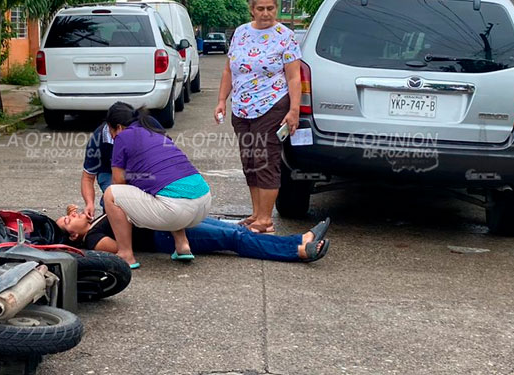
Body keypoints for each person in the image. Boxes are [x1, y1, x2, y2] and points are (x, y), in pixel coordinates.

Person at [214, 0, 302, 234]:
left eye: (271, 8)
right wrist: (222, 100)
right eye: (261, 9)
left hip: (272, 105)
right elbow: (228, 70)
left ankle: (266, 219)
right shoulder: (240, 33)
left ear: (277, 9)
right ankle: (256, 214)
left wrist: (293, 110)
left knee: (266, 159)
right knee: (249, 160)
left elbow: (294, 77)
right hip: (242, 108)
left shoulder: (285, 36)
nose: (266, 13)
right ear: (252, 10)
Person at [102, 102, 212, 268]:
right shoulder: (154, 131)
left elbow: (118, 181)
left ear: (117, 127)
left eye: (110, 131)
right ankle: (182, 245)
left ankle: (126, 254)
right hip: (204, 201)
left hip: (175, 210)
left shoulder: (122, 137)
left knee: (111, 195)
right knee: (164, 186)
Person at [56, 206, 331, 263]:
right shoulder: (93, 239)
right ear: (74, 237)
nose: (74, 214)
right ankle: (297, 251)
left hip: (168, 221)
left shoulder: (99, 217)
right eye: (70, 220)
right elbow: (119, 249)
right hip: (161, 237)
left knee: (237, 230)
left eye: (70, 213)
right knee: (234, 240)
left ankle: (299, 239)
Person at [80, 115, 162, 219]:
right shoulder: (98, 139)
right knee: (116, 200)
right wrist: (90, 204)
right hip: (108, 171)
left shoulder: (148, 124)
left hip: (141, 169)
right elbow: (87, 178)